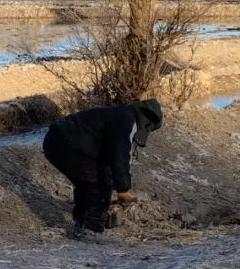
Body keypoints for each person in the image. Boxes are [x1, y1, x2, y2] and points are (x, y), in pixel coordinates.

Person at [42, 99, 163, 239]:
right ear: (146, 121)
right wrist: (123, 190)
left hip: (54, 141)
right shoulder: (127, 120)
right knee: (102, 181)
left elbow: (110, 153)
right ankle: (92, 230)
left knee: (87, 181)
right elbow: (121, 153)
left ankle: (81, 223)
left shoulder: (119, 114)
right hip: (67, 143)